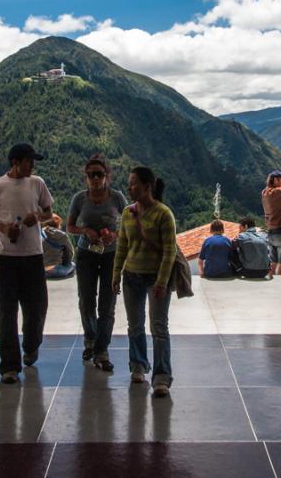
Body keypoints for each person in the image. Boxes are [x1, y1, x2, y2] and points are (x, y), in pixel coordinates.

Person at [0, 143, 53, 384]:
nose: (33, 165)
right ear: (15, 162)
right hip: (6, 258)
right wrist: (4, 228)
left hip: (33, 256)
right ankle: (10, 367)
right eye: (29, 161)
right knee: (6, 313)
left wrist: (38, 218)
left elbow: (49, 213)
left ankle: (31, 345)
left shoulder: (38, 183)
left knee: (38, 308)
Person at [112, 166, 177, 398]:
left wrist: (161, 281)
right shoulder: (128, 213)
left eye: (133, 184)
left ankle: (161, 377)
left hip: (156, 279)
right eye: (129, 184)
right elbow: (122, 247)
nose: (129, 188)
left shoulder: (163, 214)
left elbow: (170, 252)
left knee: (159, 328)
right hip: (131, 277)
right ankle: (138, 365)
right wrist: (116, 274)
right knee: (135, 325)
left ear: (147, 187)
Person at [67, 154, 127, 371]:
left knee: (108, 303)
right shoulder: (79, 199)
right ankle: (91, 339)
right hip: (86, 254)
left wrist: (115, 234)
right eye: (91, 174)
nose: (95, 178)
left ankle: (101, 349)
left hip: (111, 255)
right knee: (86, 301)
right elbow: (70, 226)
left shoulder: (118, 198)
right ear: (86, 177)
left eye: (99, 174)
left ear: (107, 176)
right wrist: (86, 231)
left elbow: (129, 224)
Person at [42, 214, 75, 279]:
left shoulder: (39, 233)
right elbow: (71, 253)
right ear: (58, 224)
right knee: (73, 265)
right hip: (55, 270)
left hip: (40, 271)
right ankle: (62, 275)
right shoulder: (62, 235)